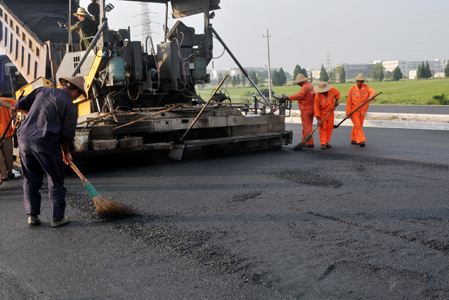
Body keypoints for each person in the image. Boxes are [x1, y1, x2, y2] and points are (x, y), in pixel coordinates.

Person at [14, 76, 86, 227]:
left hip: (25, 138)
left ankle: (32, 216)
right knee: (54, 177)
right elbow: (67, 135)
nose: (78, 98)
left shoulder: (43, 90)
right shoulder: (69, 105)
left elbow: (19, 103)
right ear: (76, 91)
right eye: (79, 95)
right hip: (45, 140)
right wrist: (65, 153)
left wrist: (33, 116)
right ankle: (57, 218)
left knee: (30, 177)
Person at [283, 74, 316, 148]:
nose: (298, 84)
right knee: (307, 126)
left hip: (305, 109)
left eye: (298, 83)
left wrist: (289, 97)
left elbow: (300, 95)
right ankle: (304, 141)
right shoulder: (311, 86)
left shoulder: (304, 87)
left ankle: (310, 142)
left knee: (307, 127)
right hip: (312, 108)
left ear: (301, 82)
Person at [346, 73, 376, 147]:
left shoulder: (366, 87)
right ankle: (361, 140)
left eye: (361, 81)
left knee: (358, 126)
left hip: (362, 111)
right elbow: (349, 102)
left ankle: (353, 139)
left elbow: (372, 91)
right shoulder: (352, 89)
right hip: (354, 111)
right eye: (358, 81)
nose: (359, 82)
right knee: (358, 126)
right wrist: (348, 113)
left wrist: (372, 96)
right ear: (356, 81)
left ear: (363, 82)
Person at [314, 81, 340, 149]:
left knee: (329, 128)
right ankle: (323, 143)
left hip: (331, 113)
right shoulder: (317, 97)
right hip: (323, 114)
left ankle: (326, 141)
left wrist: (336, 101)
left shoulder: (332, 90)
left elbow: (337, 94)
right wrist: (318, 119)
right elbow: (316, 109)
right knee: (323, 128)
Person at [0, 98, 16, 185]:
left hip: (3, 133)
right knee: (8, 155)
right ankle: (8, 173)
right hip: (7, 133)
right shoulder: (8, 101)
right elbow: (18, 105)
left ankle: (3, 175)